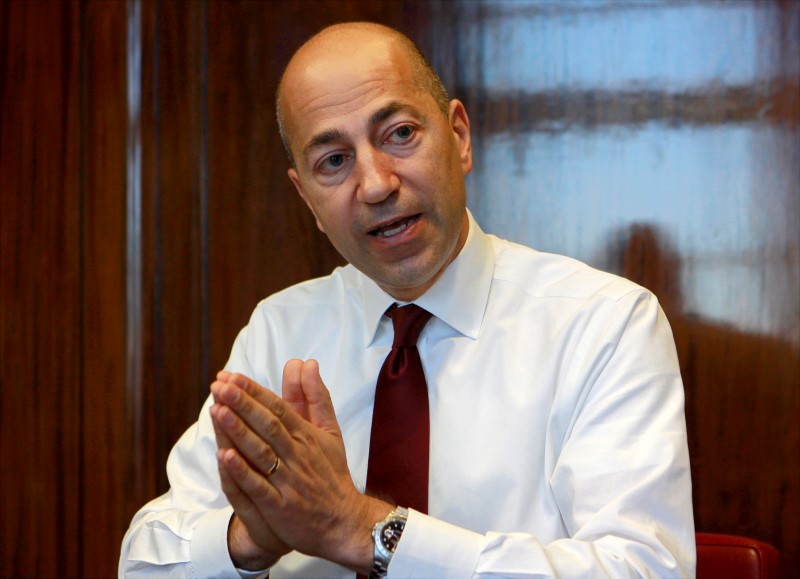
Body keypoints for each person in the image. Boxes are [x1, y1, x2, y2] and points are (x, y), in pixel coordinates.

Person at [120, 22, 695, 578]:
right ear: (307, 200)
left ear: (460, 137)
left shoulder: (604, 322)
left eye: (399, 133)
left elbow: (644, 570)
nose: (375, 185)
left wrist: (360, 529)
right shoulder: (281, 329)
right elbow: (144, 560)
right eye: (334, 161)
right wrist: (254, 535)